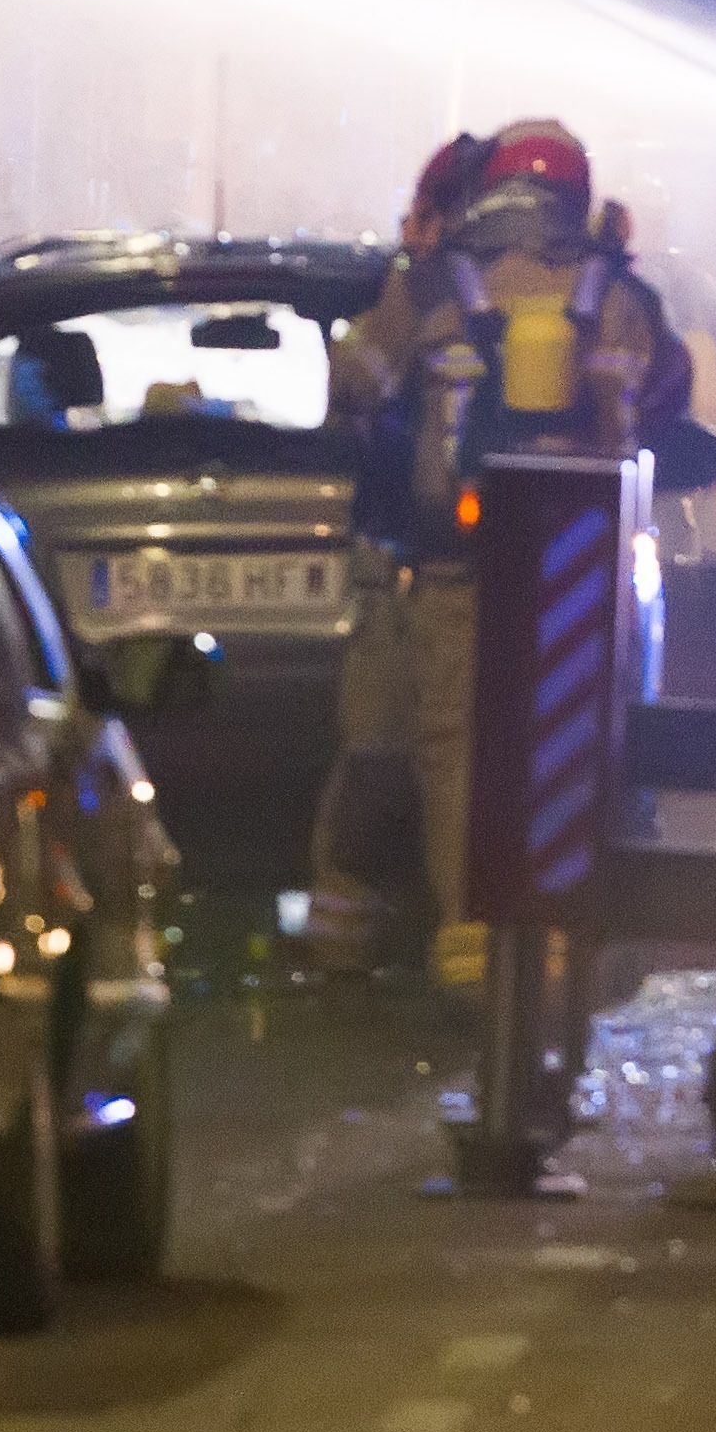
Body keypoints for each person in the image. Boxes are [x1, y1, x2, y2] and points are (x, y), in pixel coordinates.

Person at [322, 119, 697, 982]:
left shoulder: (433, 283)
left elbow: (356, 388)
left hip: (457, 559)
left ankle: (468, 940)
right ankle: (563, 935)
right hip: (581, 564)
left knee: (455, 742)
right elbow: (671, 398)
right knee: (578, 737)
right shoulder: (613, 288)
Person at [302, 131, 495, 973]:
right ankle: (396, 937)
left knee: (400, 750)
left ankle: (359, 942)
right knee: (419, 753)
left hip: (417, 561)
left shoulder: (427, 295)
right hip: (440, 564)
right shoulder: (538, 299)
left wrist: (406, 282)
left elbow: (353, 384)